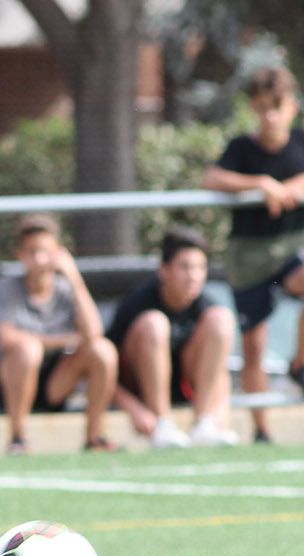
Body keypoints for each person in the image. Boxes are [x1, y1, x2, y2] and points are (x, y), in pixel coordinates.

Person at [203, 65, 304, 444]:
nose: (270, 116)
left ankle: (299, 362)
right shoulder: (241, 148)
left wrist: (292, 186)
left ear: (292, 105)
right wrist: (261, 184)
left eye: (276, 106)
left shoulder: (299, 143)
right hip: (251, 259)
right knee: (254, 346)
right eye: (262, 107)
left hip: (291, 251)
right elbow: (213, 178)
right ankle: (262, 428)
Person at [0, 214, 122, 454]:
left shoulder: (66, 288)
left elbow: (94, 334)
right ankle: (18, 438)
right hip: (14, 378)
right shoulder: (6, 287)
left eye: (45, 251)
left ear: (58, 253)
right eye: (32, 251)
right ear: (20, 255)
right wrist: (58, 342)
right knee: (28, 350)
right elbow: (6, 337)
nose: (39, 259)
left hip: (56, 382)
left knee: (103, 351)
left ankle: (94, 436)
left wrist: (74, 278)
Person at [106, 228, 238, 447]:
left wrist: (220, 411)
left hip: (186, 387)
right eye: (185, 267)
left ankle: (204, 423)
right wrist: (132, 407)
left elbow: (220, 371)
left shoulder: (207, 307)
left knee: (222, 319)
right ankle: (162, 424)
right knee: (154, 324)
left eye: (200, 267)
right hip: (139, 392)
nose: (194, 275)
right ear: (164, 271)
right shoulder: (137, 304)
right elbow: (104, 368)